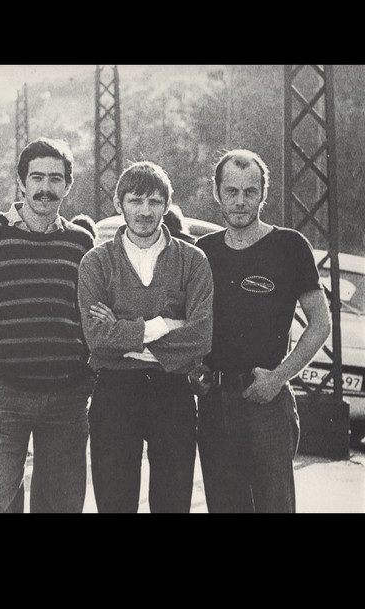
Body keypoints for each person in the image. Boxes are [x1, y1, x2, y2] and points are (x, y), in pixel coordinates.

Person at [0, 137, 95, 513]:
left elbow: (94, 316)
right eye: (37, 177)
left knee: (61, 508)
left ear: (68, 185)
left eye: (56, 179)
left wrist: (87, 377)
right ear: (21, 182)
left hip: (67, 400)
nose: (46, 188)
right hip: (6, 397)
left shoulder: (81, 243)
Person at [195, 148, 331, 513]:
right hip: (213, 405)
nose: (240, 201)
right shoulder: (202, 251)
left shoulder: (290, 246)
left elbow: (321, 323)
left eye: (249, 191)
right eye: (231, 191)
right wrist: (193, 368)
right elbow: (188, 321)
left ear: (263, 194)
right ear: (217, 192)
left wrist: (278, 378)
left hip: (267, 404)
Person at [78, 161, 214, 513]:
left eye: (154, 201)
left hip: (173, 391)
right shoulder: (96, 262)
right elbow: (96, 337)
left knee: (172, 502)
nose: (145, 211)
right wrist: (167, 324)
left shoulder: (192, 260)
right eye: (135, 201)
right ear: (118, 203)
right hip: (114, 390)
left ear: (166, 205)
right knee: (115, 501)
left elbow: (201, 335)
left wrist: (124, 334)